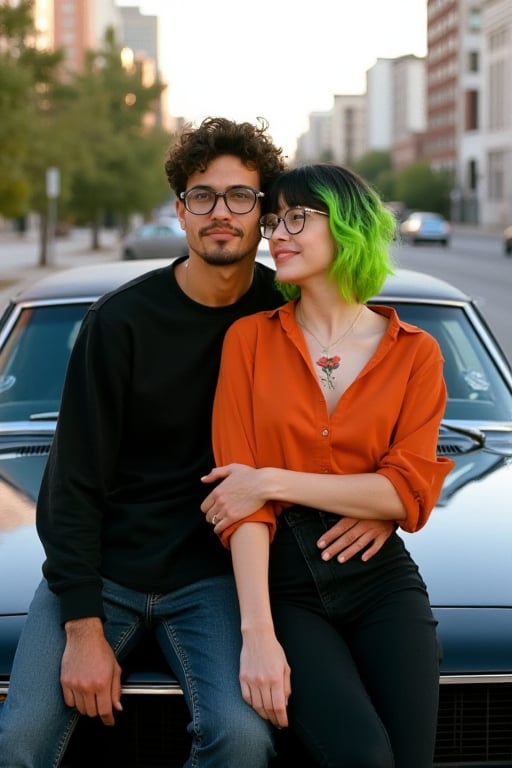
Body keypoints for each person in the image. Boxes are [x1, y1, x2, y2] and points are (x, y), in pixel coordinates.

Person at [0, 123, 395, 768]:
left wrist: (380, 503)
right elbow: (71, 480)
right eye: (202, 196)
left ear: (266, 214)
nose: (221, 214)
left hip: (218, 579)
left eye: (241, 197)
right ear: (179, 211)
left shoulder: (287, 317)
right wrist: (81, 626)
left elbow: (352, 425)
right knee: (19, 742)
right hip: (104, 570)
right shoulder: (119, 321)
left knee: (242, 742)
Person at [201, 163, 455, 767]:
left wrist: (272, 479)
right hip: (284, 581)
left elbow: (410, 492)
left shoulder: (416, 353)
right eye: (272, 221)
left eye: (297, 218)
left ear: (347, 228)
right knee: (363, 756)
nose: (276, 235)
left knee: (412, 758)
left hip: (380, 576)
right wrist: (256, 634)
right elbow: (241, 505)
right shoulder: (249, 341)